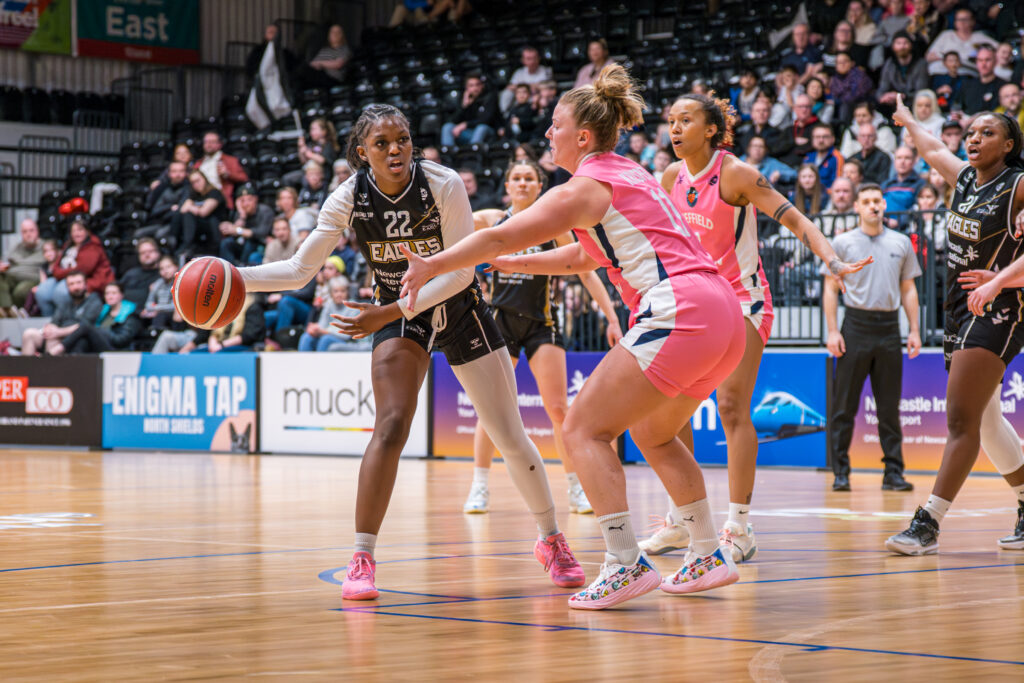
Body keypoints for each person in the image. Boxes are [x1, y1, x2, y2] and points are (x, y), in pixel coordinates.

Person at [402, 68, 867, 608]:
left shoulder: (583, 187)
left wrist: (433, 262)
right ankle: (706, 553)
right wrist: (505, 260)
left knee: (580, 430)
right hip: (724, 313)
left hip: (681, 309)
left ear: (582, 137)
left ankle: (624, 563)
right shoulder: (634, 174)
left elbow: (506, 228)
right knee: (654, 431)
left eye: (555, 125)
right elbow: (582, 255)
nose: (547, 133)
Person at [238, 103, 585, 600]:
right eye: (382, 144)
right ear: (363, 153)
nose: (395, 149)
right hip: (398, 313)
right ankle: (362, 556)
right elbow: (298, 269)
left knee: (509, 433)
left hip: (458, 307)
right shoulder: (349, 197)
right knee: (392, 423)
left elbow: (463, 272)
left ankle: (551, 539)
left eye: (402, 139)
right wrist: (237, 278)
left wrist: (384, 313)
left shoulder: (442, 184)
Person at [637, 93, 869, 562]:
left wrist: (831, 259)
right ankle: (683, 521)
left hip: (745, 302)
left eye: (686, 120)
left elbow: (795, 217)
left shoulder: (737, 174)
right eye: (671, 120)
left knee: (731, 406)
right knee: (668, 409)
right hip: (694, 306)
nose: (675, 128)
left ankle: (739, 527)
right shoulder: (668, 177)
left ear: (711, 129)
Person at [885, 99, 1024, 555]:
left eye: (986, 133)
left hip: (1000, 308)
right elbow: (930, 148)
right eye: (970, 133)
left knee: (961, 419)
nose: (974, 139)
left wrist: (998, 280)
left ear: (1008, 145)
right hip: (961, 306)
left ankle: (928, 524)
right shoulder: (965, 178)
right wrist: (907, 120)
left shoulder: (1018, 185)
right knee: (986, 422)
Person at [461, 159, 624, 516]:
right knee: (491, 411)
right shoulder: (490, 220)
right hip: (500, 324)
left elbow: (585, 270)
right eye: (516, 178)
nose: (522, 183)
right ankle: (480, 487)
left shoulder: (552, 226)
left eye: (529, 178)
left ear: (539, 185)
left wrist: (611, 316)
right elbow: (454, 239)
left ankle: (576, 488)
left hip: (541, 323)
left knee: (558, 410)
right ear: (508, 185)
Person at [825, 183, 922, 492]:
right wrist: (832, 330)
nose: (873, 206)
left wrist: (915, 330)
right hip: (855, 325)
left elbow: (908, 289)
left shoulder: (901, 242)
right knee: (844, 406)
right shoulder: (841, 243)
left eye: (877, 200)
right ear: (856, 207)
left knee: (889, 407)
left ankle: (893, 473)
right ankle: (840, 472)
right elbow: (830, 288)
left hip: (890, 329)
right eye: (866, 201)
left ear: (884, 204)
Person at [36, 219, 113, 316]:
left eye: (80, 230)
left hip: (86, 279)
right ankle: (49, 319)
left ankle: (64, 321)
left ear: (87, 231)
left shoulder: (93, 247)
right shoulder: (68, 245)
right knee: (42, 291)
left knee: (61, 292)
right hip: (63, 277)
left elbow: (82, 270)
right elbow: (56, 265)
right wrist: (59, 273)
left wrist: (59, 273)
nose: (77, 233)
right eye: (74, 231)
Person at [20, 271, 101, 355]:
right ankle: (28, 367)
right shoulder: (66, 302)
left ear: (85, 284)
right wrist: (50, 329)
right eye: (71, 284)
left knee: (53, 340)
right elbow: (55, 321)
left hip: (78, 338)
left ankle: (48, 365)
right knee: (29, 334)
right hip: (58, 334)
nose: (75, 287)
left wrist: (59, 332)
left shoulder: (93, 300)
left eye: (78, 283)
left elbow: (86, 326)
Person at [55, 281, 142, 354]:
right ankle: (74, 365)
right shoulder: (103, 312)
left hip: (117, 350)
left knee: (86, 326)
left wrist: (101, 331)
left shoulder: (131, 315)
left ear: (121, 295)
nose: (110, 296)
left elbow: (121, 340)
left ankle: (59, 348)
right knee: (82, 341)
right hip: (101, 346)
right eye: (107, 293)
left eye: (114, 293)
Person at [172, 169, 228, 262]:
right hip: (199, 229)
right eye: (193, 183)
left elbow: (204, 212)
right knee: (184, 216)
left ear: (204, 179)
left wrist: (191, 207)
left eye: (198, 180)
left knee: (189, 215)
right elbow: (182, 210)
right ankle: (179, 242)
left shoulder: (214, 192)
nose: (196, 184)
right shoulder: (194, 195)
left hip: (215, 228)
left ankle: (186, 244)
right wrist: (191, 207)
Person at [298, 275, 365, 351]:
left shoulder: (353, 307)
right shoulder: (329, 304)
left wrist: (325, 331)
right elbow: (322, 325)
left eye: (342, 291)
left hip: (347, 341)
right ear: (331, 293)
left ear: (347, 292)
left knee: (325, 339)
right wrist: (315, 329)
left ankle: (320, 362)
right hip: (327, 334)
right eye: (336, 291)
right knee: (306, 337)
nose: (339, 294)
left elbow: (347, 334)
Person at [925, 8, 997, 76]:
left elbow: (1000, 49)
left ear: (972, 22)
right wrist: (948, 58)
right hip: (941, 73)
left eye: (965, 19)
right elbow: (928, 56)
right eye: (958, 19)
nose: (961, 22)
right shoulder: (947, 35)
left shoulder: (980, 37)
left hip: (967, 74)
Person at [218, 182, 275, 266]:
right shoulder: (240, 212)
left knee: (250, 241)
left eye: (249, 200)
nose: (245, 204)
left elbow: (261, 233)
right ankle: (228, 269)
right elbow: (234, 233)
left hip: (262, 244)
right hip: (243, 245)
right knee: (226, 243)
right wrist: (242, 216)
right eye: (242, 200)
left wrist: (238, 230)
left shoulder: (265, 211)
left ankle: (243, 270)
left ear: (255, 199)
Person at [441, 74, 502, 147]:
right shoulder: (463, 99)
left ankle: (472, 154)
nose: (475, 88)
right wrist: (464, 106)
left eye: (477, 85)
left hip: (488, 131)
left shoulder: (489, 97)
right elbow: (453, 120)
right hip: (468, 133)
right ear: (466, 88)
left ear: (482, 86)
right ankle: (448, 153)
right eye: (471, 85)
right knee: (447, 127)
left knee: (481, 128)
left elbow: (486, 120)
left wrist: (466, 124)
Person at [0, 218, 44, 316]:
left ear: (37, 231)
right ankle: (6, 310)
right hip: (12, 276)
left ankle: (11, 312)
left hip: (32, 278)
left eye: (31, 230)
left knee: (20, 290)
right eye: (25, 231)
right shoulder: (16, 247)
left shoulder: (44, 247)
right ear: (21, 234)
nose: (28, 234)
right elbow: (6, 262)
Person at [193, 132, 248, 210]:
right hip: (201, 198)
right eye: (206, 142)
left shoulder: (230, 160)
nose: (208, 145)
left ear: (219, 144)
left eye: (212, 142)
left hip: (221, 199)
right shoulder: (198, 163)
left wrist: (227, 174)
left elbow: (244, 178)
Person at [877, 31, 930, 110]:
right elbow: (882, 88)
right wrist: (883, 97)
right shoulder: (889, 64)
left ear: (911, 45)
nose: (902, 46)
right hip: (894, 104)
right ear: (893, 46)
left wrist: (903, 96)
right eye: (898, 43)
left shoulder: (921, 64)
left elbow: (921, 92)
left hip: (914, 104)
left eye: (905, 43)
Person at [295, 24, 351, 89]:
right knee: (304, 70)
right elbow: (314, 63)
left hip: (333, 78)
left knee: (305, 72)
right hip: (321, 74)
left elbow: (339, 64)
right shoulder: (325, 49)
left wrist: (321, 64)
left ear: (341, 35)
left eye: (337, 32)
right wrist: (316, 64)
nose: (335, 35)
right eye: (332, 32)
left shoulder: (344, 49)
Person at [955, 45, 1006, 115]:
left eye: (987, 60)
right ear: (976, 62)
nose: (983, 64)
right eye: (980, 60)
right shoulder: (967, 85)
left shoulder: (1003, 86)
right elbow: (958, 107)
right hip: (967, 124)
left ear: (995, 61)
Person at [501, 46, 553, 112]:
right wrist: (531, 86)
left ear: (539, 58)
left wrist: (522, 86)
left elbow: (546, 87)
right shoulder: (519, 72)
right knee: (506, 93)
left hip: (536, 100)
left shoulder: (545, 70)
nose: (532, 61)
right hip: (521, 99)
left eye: (534, 58)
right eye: (528, 59)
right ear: (523, 60)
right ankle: (504, 113)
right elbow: (510, 87)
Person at [117, 237, 162, 309]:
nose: (147, 255)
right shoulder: (131, 274)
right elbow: (117, 291)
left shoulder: (164, 274)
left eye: (150, 251)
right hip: (128, 314)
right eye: (143, 253)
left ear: (158, 253)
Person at [829, 53, 874, 123]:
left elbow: (856, 94)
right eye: (839, 62)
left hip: (859, 104)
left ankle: (843, 126)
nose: (842, 64)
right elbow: (834, 94)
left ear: (852, 63)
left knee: (845, 105)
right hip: (840, 105)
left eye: (845, 62)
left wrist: (841, 98)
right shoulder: (835, 79)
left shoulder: (859, 75)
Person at [882, 146, 925, 219]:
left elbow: (917, 207)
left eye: (907, 158)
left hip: (908, 228)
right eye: (899, 158)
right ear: (894, 161)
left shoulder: (921, 184)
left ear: (914, 161)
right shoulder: (886, 184)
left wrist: (900, 221)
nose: (902, 162)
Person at [140, 255, 178, 330]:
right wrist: (154, 309)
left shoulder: (181, 283)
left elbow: (175, 306)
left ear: (176, 267)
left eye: (168, 267)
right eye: (162, 269)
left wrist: (157, 308)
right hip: (158, 312)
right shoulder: (157, 284)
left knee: (161, 315)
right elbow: (148, 304)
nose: (165, 271)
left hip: (171, 315)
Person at [804, 122, 844, 189]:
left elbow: (837, 185)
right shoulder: (808, 157)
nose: (821, 140)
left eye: (825, 137)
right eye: (817, 137)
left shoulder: (837, 157)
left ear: (833, 139)